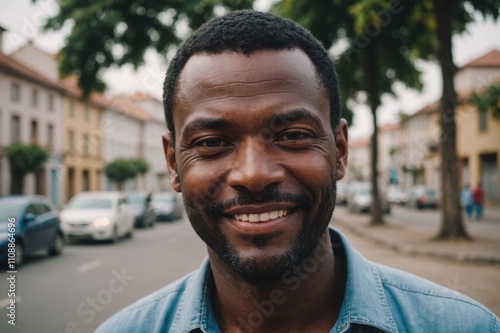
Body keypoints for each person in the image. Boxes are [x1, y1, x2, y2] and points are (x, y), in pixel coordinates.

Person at [96, 10, 499, 333]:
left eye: (292, 135)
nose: (253, 175)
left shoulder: (466, 326)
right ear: (173, 163)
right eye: (211, 143)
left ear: (339, 151)